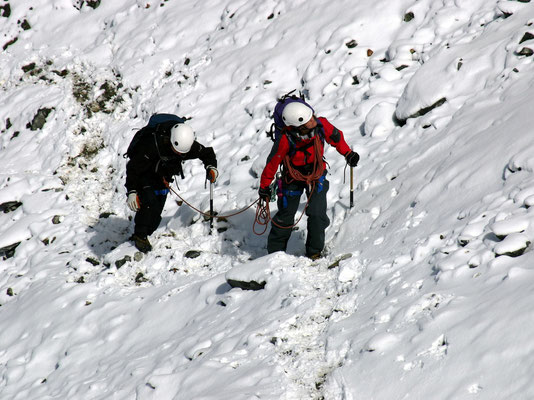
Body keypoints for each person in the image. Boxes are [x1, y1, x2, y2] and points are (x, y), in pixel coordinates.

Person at [258, 101, 359, 259]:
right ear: (298, 126)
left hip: (316, 175)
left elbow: (336, 137)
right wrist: (264, 187)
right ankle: (274, 256)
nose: (314, 120)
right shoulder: (285, 139)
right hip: (291, 178)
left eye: (312, 117)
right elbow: (272, 163)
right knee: (285, 217)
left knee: (317, 214)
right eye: (309, 120)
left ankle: (314, 252)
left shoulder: (321, 125)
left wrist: (348, 153)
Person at [125, 118, 218, 253]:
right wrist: (132, 191)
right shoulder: (150, 146)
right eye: (179, 152)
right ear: (171, 142)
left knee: (156, 213)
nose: (182, 155)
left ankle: (147, 230)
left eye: (183, 153)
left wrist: (211, 166)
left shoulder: (185, 145)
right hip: (144, 175)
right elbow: (133, 169)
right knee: (150, 204)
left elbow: (206, 152)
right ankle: (140, 235)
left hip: (163, 177)